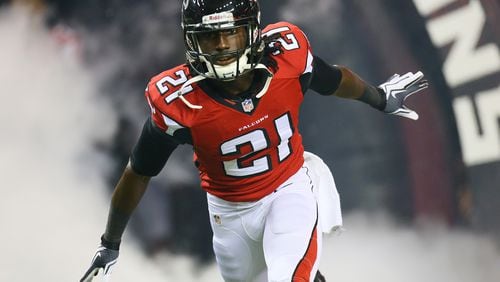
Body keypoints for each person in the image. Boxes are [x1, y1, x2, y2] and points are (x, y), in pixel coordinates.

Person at [80, 0, 428, 281]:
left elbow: (335, 79)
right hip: (228, 217)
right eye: (209, 38)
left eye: (229, 35)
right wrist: (109, 243)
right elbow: (138, 172)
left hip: (288, 189)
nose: (220, 48)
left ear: (251, 31)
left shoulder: (288, 60)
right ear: (190, 41)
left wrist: (378, 98)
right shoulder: (180, 104)